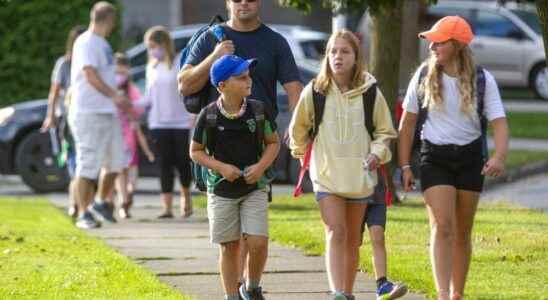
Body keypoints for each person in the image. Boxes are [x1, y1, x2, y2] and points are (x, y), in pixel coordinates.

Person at [178, 0, 303, 285]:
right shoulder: (210, 37)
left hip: (259, 145)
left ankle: (246, 285)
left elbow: (295, 88)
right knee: (230, 235)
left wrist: (297, 128)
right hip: (217, 147)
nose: (244, 2)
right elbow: (184, 84)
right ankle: (238, 285)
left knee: (253, 229)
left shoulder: (275, 41)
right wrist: (213, 57)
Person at [398, 16, 508, 300]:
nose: (432, 46)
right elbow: (408, 123)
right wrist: (405, 165)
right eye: (431, 41)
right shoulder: (423, 75)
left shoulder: (483, 79)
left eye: (440, 41)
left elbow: (499, 122)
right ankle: (443, 293)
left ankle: (458, 293)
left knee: (463, 230)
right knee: (443, 225)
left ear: (457, 45)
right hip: (434, 157)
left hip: (470, 157)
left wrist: (498, 156)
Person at [288, 30, 397, 300]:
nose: (338, 56)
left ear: (356, 57)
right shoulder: (314, 91)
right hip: (326, 175)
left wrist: (376, 153)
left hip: (359, 176)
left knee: (352, 239)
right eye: (333, 51)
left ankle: (347, 294)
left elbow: (385, 132)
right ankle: (337, 293)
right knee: (336, 231)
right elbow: (296, 130)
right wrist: (301, 153)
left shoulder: (371, 92)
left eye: (345, 51)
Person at [190, 54, 280, 300]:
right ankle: (232, 296)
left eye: (248, 76)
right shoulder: (208, 116)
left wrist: (261, 167)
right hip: (221, 190)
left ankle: (251, 287)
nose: (248, 81)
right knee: (229, 246)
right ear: (222, 86)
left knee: (258, 241)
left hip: (254, 187)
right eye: (241, 77)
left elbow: (273, 143)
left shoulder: (258, 111)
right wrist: (221, 167)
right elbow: (195, 151)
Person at [69, 2, 131, 229]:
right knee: (87, 164)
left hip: (107, 111)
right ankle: (83, 213)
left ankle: (98, 202)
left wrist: (115, 100)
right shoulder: (85, 42)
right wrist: (115, 95)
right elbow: (90, 75)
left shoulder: (102, 44)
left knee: (117, 162)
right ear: (110, 20)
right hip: (87, 111)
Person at [136, 26, 193, 218]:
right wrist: (130, 105)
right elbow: (148, 98)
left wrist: (192, 115)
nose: (151, 50)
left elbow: (188, 91)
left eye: (153, 46)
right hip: (158, 123)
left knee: (183, 163)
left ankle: (186, 198)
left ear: (163, 44)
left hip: (180, 121)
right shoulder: (151, 67)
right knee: (164, 164)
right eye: (149, 47)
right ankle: (167, 207)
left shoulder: (179, 63)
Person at [41, 25, 85, 217]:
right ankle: (75, 203)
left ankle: (78, 204)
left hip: (85, 115)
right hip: (66, 118)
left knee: (82, 161)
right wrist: (50, 116)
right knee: (73, 160)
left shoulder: (88, 63)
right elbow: (54, 92)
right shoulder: (64, 64)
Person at [112, 52, 155, 219]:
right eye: (116, 72)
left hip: (129, 137)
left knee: (132, 175)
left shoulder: (132, 90)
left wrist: (129, 107)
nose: (119, 77)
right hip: (115, 135)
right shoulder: (109, 90)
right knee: (119, 171)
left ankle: (128, 195)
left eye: (122, 73)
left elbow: (139, 108)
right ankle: (123, 202)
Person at [361, 181, 408, 300]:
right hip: (351, 193)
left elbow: (386, 162)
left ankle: (382, 285)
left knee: (378, 237)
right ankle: (343, 289)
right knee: (352, 242)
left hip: (376, 193)